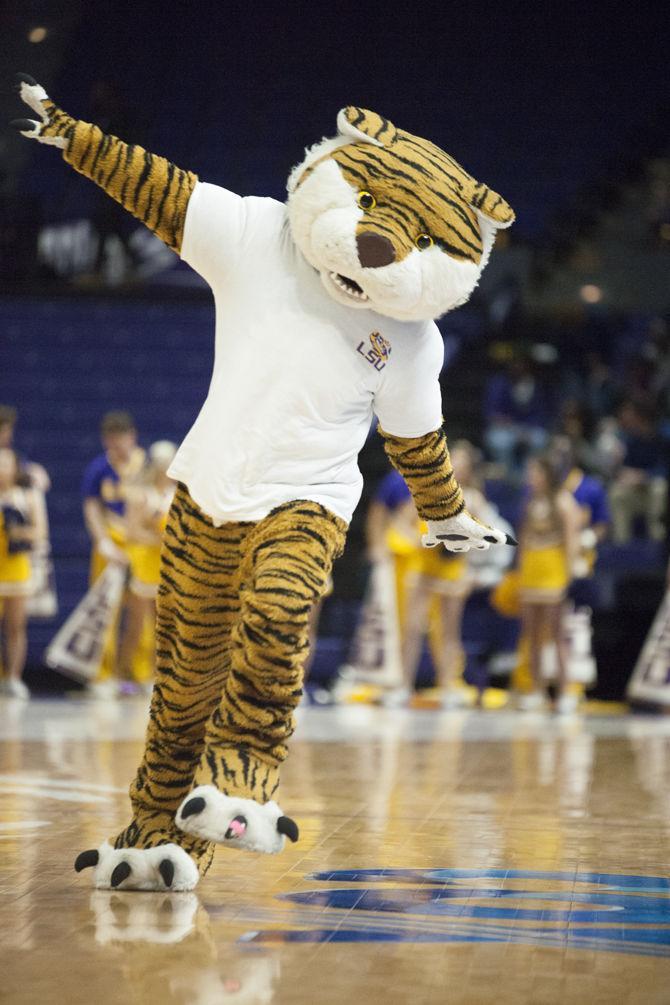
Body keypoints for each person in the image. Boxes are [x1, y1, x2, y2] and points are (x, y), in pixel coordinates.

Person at [392, 442, 491, 706]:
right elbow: (402, 522)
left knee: (448, 631)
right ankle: (403, 686)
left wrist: (464, 556)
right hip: (423, 567)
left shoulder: (474, 498)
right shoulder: (428, 488)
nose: (454, 464)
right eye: (452, 459)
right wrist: (418, 538)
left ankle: (448, 686)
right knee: (412, 627)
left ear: (469, 469)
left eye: (460, 461)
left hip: (452, 569)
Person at [81, 411, 148, 693]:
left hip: (142, 546)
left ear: (132, 436)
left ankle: (139, 674)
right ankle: (102, 676)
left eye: (121, 438)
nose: (117, 445)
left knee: (143, 613)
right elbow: (92, 506)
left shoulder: (147, 465)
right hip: (110, 545)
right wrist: (102, 541)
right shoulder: (99, 468)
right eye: (111, 440)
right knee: (105, 611)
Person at [517, 455, 580, 712]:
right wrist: (520, 569)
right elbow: (523, 536)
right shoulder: (531, 501)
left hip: (554, 570)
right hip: (532, 568)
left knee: (557, 634)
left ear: (547, 474)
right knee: (532, 634)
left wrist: (569, 574)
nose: (531, 478)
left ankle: (565, 691)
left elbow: (572, 540)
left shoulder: (564, 502)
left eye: (535, 472)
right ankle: (536, 689)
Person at [120, 441, 177, 688]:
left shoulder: (180, 494)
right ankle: (122, 676)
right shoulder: (142, 494)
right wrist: (157, 536)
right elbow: (131, 532)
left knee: (166, 628)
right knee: (136, 625)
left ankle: (159, 677)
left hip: (169, 567)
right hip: (144, 566)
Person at [0, 448, 46, 699]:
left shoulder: (26, 497)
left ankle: (13, 678)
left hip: (17, 569)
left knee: (16, 627)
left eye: (6, 464)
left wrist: (17, 532)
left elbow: (40, 532)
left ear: (15, 468)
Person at [609, 399, 668, 543]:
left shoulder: (665, 435)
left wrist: (644, 476)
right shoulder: (630, 439)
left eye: (629, 413)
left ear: (641, 416)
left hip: (658, 490)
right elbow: (623, 471)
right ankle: (621, 545)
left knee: (659, 487)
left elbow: (665, 468)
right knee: (617, 493)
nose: (624, 416)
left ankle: (657, 541)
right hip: (637, 491)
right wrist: (618, 466)